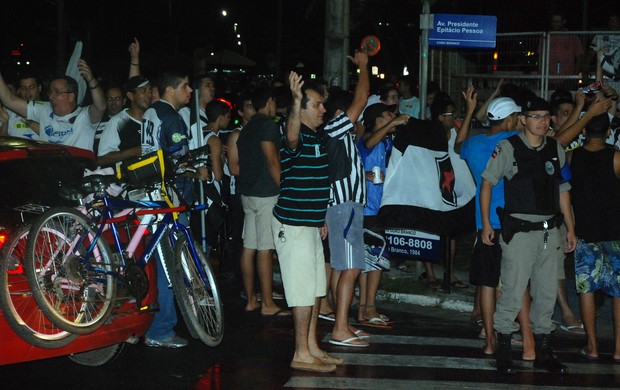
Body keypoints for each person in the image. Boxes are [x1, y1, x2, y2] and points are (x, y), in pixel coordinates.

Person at [481, 96, 576, 374]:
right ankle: (504, 348)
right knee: (512, 291)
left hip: (549, 232)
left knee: (546, 294)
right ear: (522, 119)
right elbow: (487, 184)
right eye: (535, 116)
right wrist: (487, 223)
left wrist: (570, 229)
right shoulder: (508, 148)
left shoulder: (556, 148)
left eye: (546, 116)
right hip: (520, 232)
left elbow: (563, 191)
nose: (542, 122)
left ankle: (545, 350)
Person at [457, 92, 535, 359]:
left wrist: (469, 111)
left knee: (488, 283)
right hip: (513, 222)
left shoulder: (475, 144)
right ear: (511, 119)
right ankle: (526, 341)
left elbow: (458, 145)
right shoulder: (516, 142)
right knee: (519, 283)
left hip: (484, 222)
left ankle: (489, 340)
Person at [272, 72, 341, 373]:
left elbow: (317, 182)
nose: (323, 110)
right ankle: (300, 353)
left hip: (311, 224)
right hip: (293, 224)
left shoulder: (317, 137)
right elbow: (290, 135)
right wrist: (296, 99)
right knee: (301, 292)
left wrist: (321, 217)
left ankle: (312, 346)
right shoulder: (295, 137)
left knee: (314, 289)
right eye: (317, 105)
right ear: (300, 111)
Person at [141, 69, 208, 348]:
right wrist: (197, 172)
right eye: (185, 86)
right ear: (170, 90)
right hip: (167, 198)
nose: (190, 92)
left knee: (157, 263)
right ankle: (161, 329)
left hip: (149, 193)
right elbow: (179, 163)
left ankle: (153, 323)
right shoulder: (173, 118)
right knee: (171, 267)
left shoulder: (150, 113)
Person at [322, 51, 371, 348]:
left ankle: (343, 323)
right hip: (344, 208)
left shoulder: (338, 135)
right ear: (342, 114)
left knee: (344, 267)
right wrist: (364, 67)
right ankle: (340, 329)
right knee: (352, 268)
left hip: (343, 209)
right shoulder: (335, 128)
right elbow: (362, 98)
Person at [568, 113, 620, 361]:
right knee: (619, 292)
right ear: (608, 131)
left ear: (584, 131)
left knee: (586, 289)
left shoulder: (572, 157)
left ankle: (593, 347)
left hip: (585, 233)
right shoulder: (616, 157)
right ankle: (619, 349)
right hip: (615, 233)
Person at [236, 87, 288, 317]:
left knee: (250, 247)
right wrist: (284, 190)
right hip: (266, 193)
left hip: (247, 194)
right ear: (269, 102)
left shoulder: (246, 129)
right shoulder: (268, 125)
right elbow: (272, 160)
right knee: (265, 250)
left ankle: (251, 300)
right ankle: (268, 304)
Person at [356, 102, 408, 325]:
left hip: (377, 207)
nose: (393, 116)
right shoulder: (367, 141)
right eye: (389, 114)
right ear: (378, 120)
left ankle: (366, 309)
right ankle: (368, 308)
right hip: (366, 208)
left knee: (370, 260)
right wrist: (394, 123)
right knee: (376, 259)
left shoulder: (385, 143)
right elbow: (368, 142)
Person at [0, 59, 105, 152]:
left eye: (57, 92)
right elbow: (9, 100)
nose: (51, 96)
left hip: (78, 171)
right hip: (50, 170)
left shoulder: (85, 116)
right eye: (50, 92)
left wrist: (91, 81)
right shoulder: (44, 109)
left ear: (71, 96)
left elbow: (101, 107)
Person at [97, 75, 152, 168]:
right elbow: (102, 159)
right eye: (143, 91)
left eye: (150, 91)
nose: (149, 95)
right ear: (131, 96)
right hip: (129, 181)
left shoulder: (154, 118)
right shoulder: (118, 122)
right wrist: (133, 152)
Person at [539, 13, 584, 90]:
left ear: (564, 22)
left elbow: (579, 57)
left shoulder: (572, 36)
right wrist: (540, 73)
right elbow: (541, 56)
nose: (555, 23)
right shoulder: (545, 36)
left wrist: (575, 76)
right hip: (548, 77)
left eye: (558, 21)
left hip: (567, 78)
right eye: (553, 21)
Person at [0, 74, 42, 139]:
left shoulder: (49, 110)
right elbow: (2, 143)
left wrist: (31, 123)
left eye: (31, 87)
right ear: (19, 90)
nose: (27, 92)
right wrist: (5, 124)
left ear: (39, 88)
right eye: (23, 88)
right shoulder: (8, 112)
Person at [589, 13, 620, 92]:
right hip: (605, 75)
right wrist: (585, 69)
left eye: (615, 20)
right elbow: (591, 53)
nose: (613, 23)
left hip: (617, 75)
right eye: (611, 21)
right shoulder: (600, 36)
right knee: (588, 91)